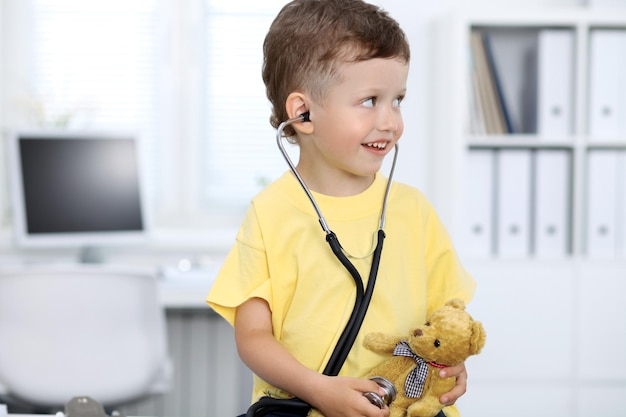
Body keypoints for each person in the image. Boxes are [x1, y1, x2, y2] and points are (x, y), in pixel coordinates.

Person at [206, 1, 476, 416]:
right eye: (370, 101)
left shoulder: (413, 211)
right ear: (303, 113)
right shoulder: (271, 213)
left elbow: (447, 318)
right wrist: (319, 391)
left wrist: (452, 362)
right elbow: (254, 338)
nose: (390, 121)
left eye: (397, 100)